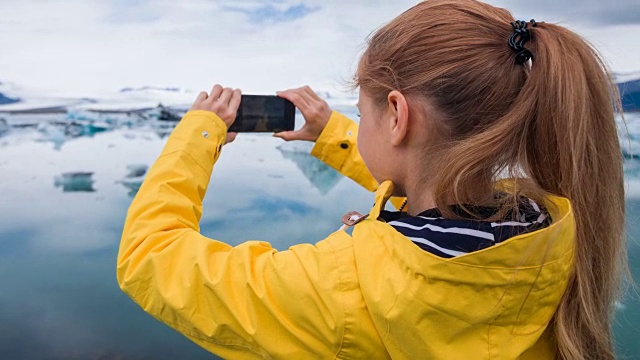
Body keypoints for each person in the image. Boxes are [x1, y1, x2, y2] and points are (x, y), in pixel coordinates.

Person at [116, 0, 627, 359]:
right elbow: (431, 174)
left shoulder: (339, 293)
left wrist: (195, 138)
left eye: (362, 115)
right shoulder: (551, 230)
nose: (359, 126)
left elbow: (149, 258)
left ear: (397, 116)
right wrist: (332, 136)